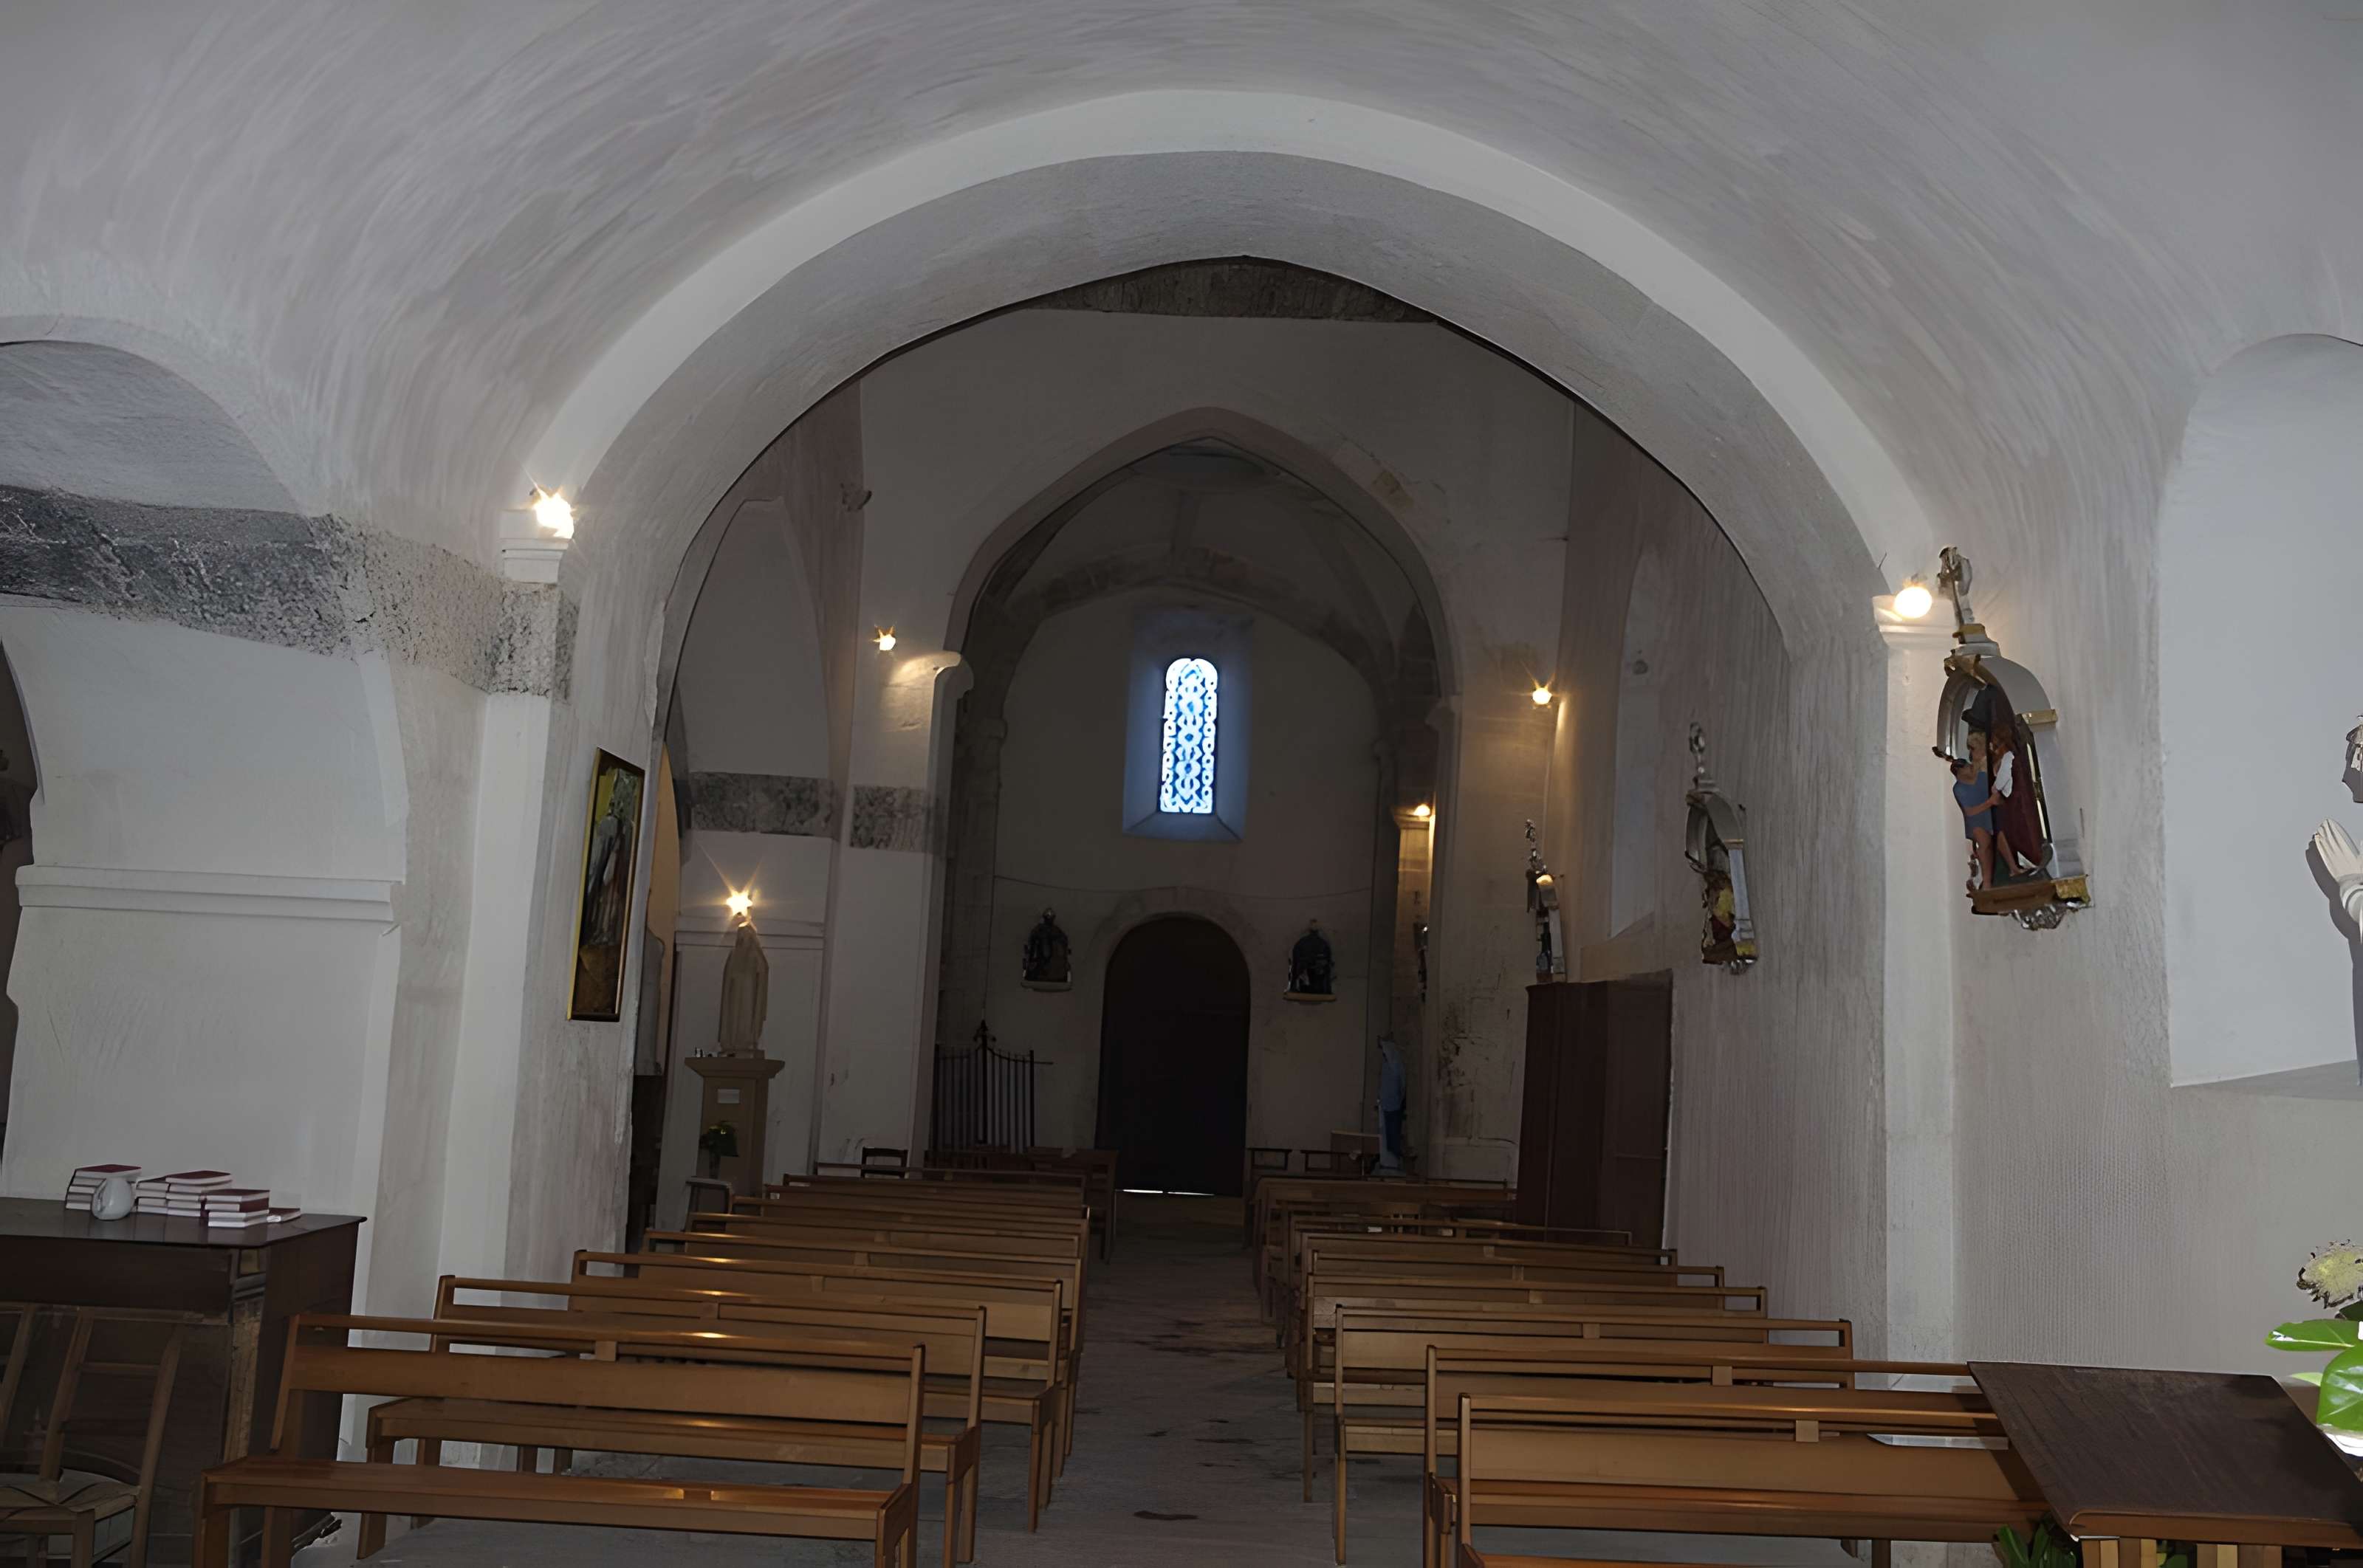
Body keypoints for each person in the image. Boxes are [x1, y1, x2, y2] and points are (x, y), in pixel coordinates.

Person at [1952, 752, 1999, 891]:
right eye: (1965, 767)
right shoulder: (1959, 788)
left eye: (1968, 766)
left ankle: (1991, 878)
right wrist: (1990, 802)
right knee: (1984, 846)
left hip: (1991, 815)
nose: (1969, 768)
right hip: (1976, 821)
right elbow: (1970, 812)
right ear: (1958, 772)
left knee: (1994, 845)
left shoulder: (1982, 778)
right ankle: (1987, 882)